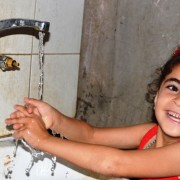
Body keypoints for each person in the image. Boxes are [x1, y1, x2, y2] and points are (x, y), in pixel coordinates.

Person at [5, 47, 180, 179]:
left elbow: (114, 163)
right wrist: (55, 120)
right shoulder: (149, 134)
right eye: (173, 88)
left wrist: (43, 140)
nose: (178, 100)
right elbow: (91, 135)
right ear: (156, 95)